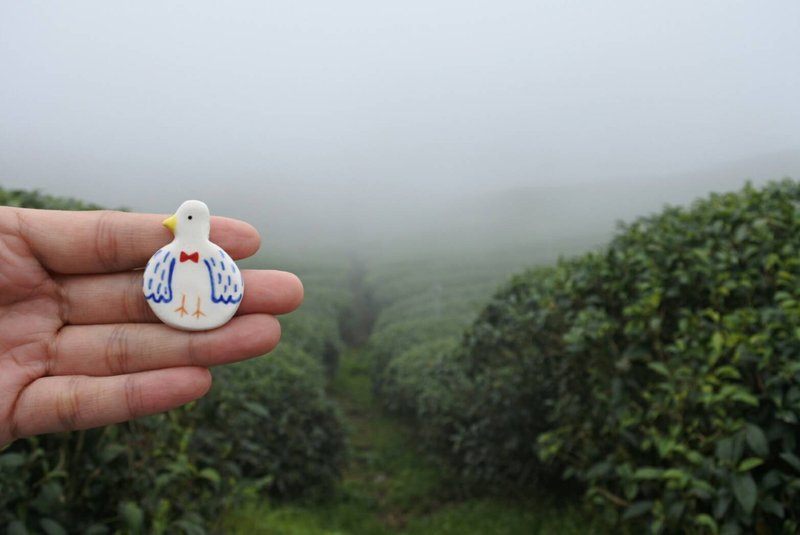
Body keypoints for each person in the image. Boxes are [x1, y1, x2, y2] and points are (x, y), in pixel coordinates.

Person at [0, 206, 303, 448]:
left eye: (182, 218)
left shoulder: (215, 258)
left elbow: (223, 282)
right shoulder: (168, 256)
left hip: (203, 307)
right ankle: (188, 308)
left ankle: (192, 309)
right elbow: (160, 281)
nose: (173, 222)